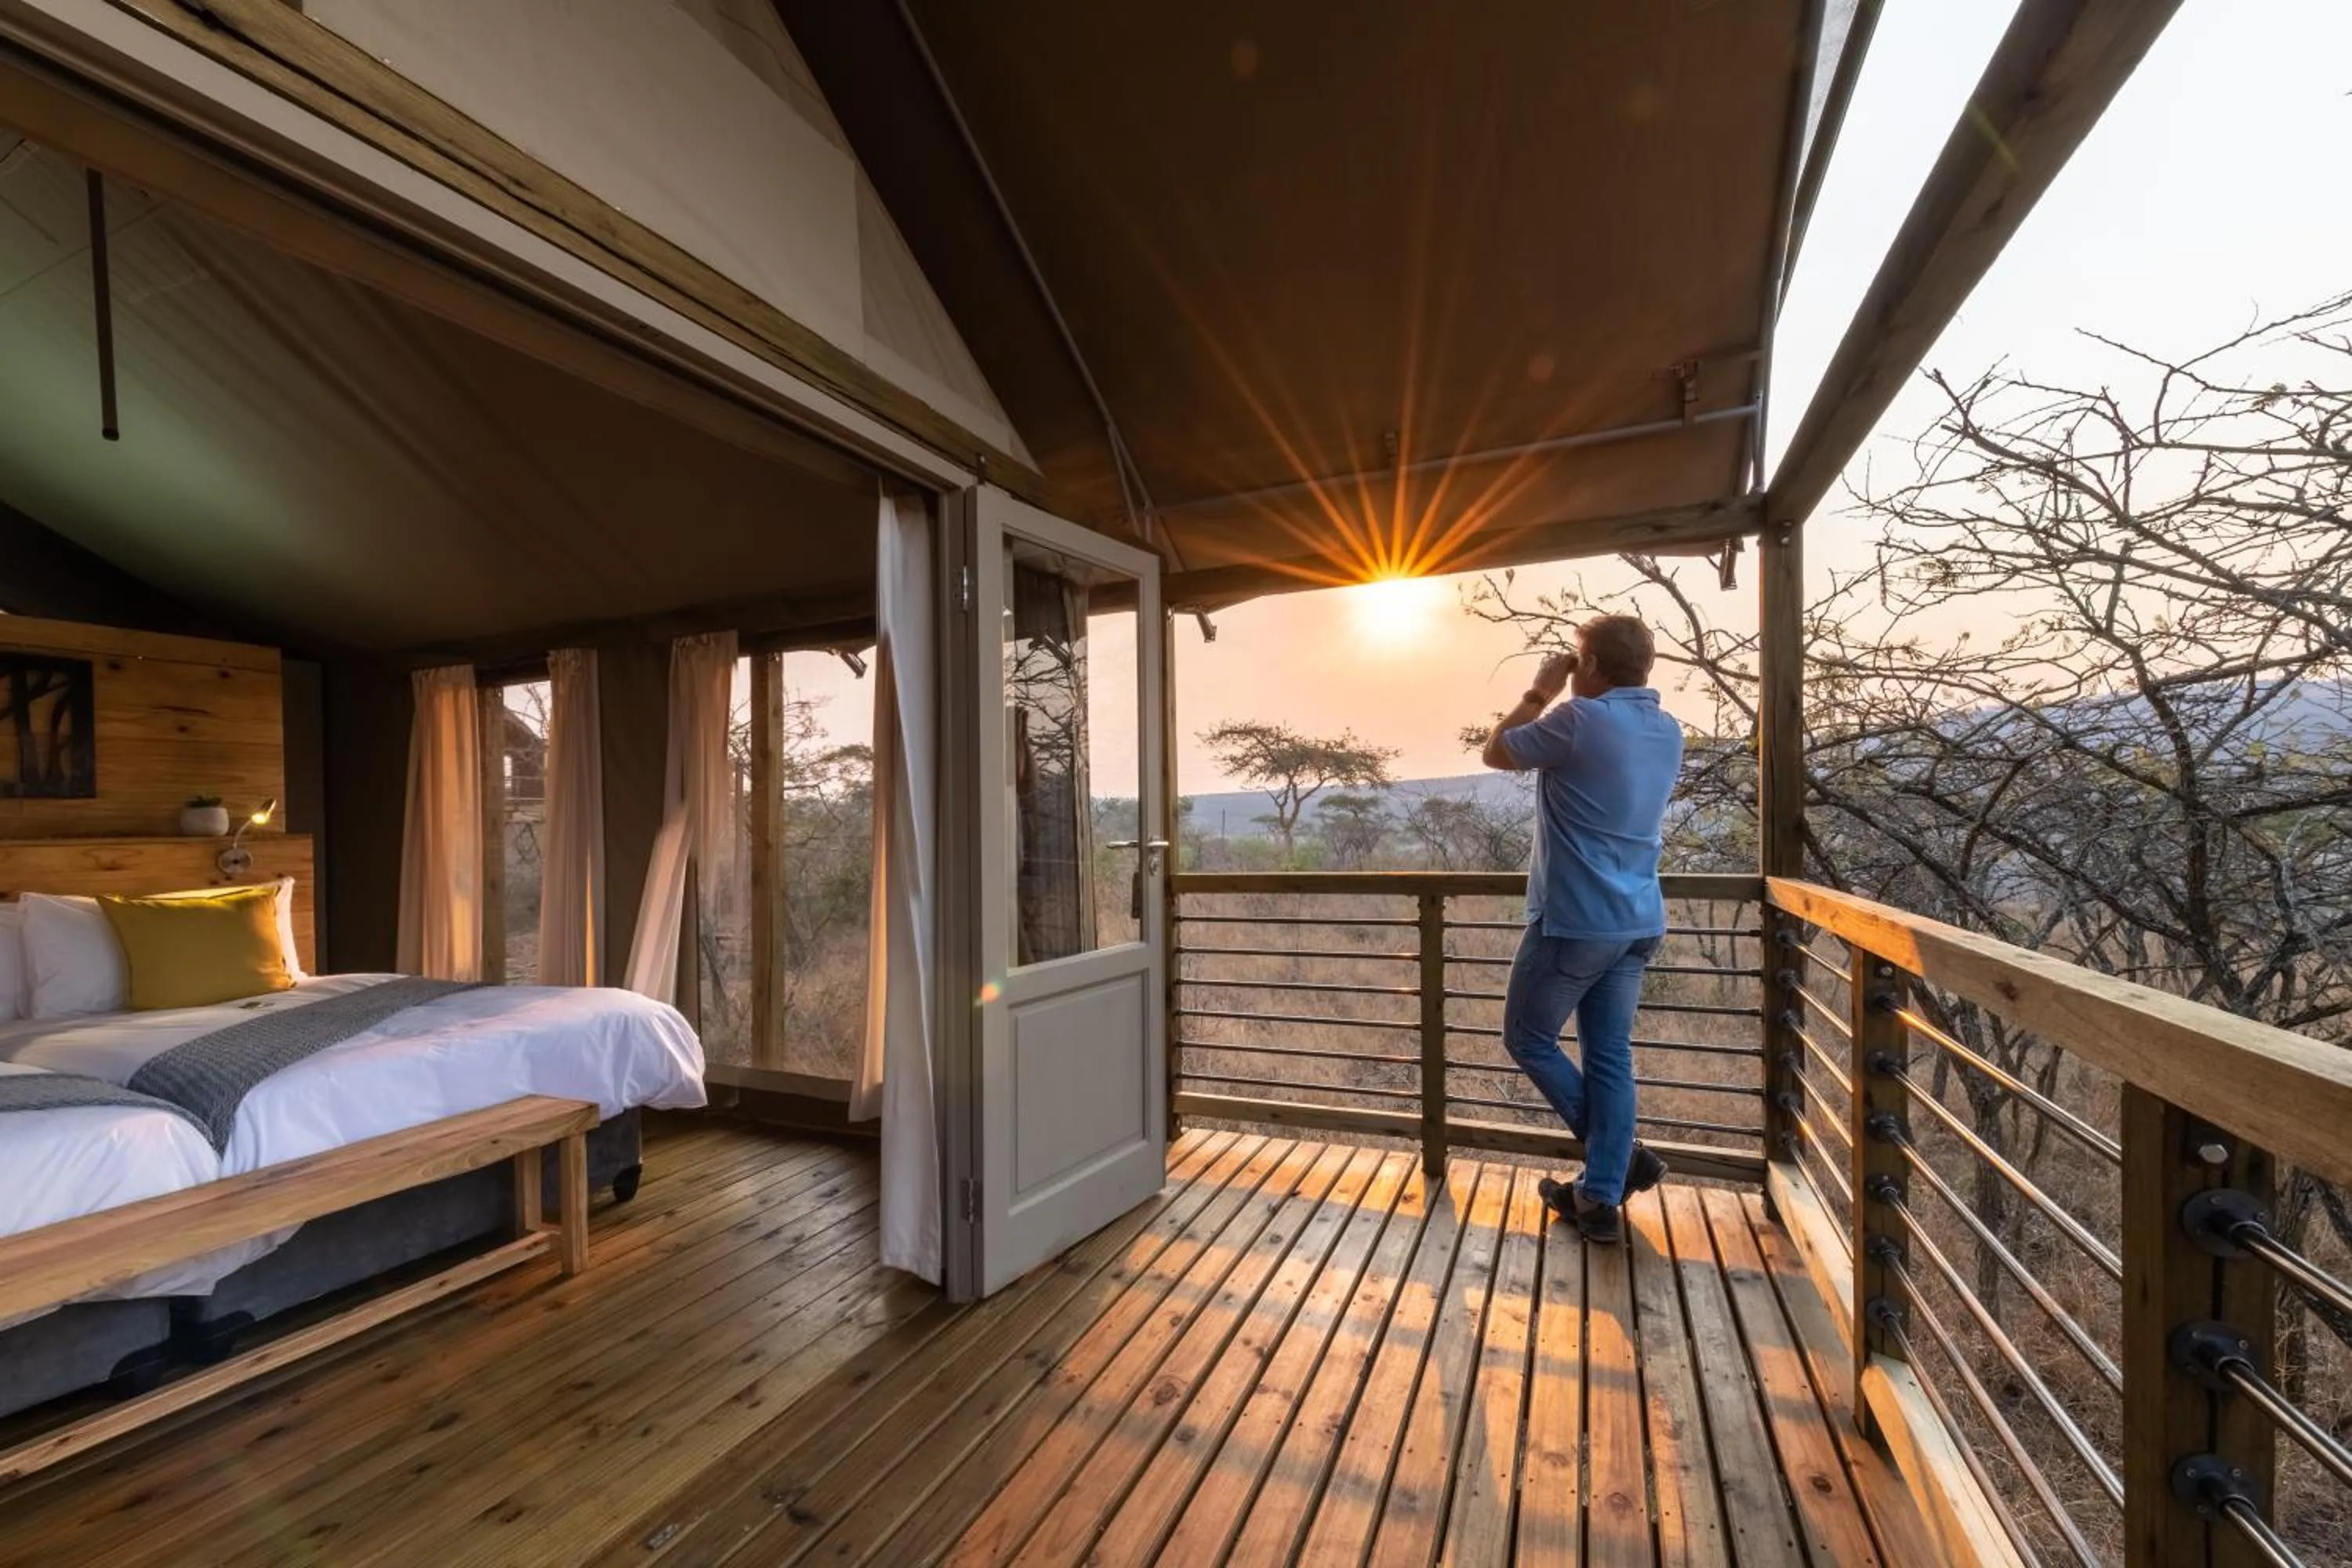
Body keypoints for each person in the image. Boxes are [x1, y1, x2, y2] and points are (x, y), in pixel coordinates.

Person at [1479, 614, 1684, 1243]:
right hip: (1638, 919)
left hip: (1577, 922)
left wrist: (1541, 690)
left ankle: (1618, 1163)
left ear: (1590, 666)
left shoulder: (1579, 720)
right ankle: (1599, 1196)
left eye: (1575, 660)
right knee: (1610, 1057)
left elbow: (1495, 752)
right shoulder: (1667, 727)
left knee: (1527, 1036)